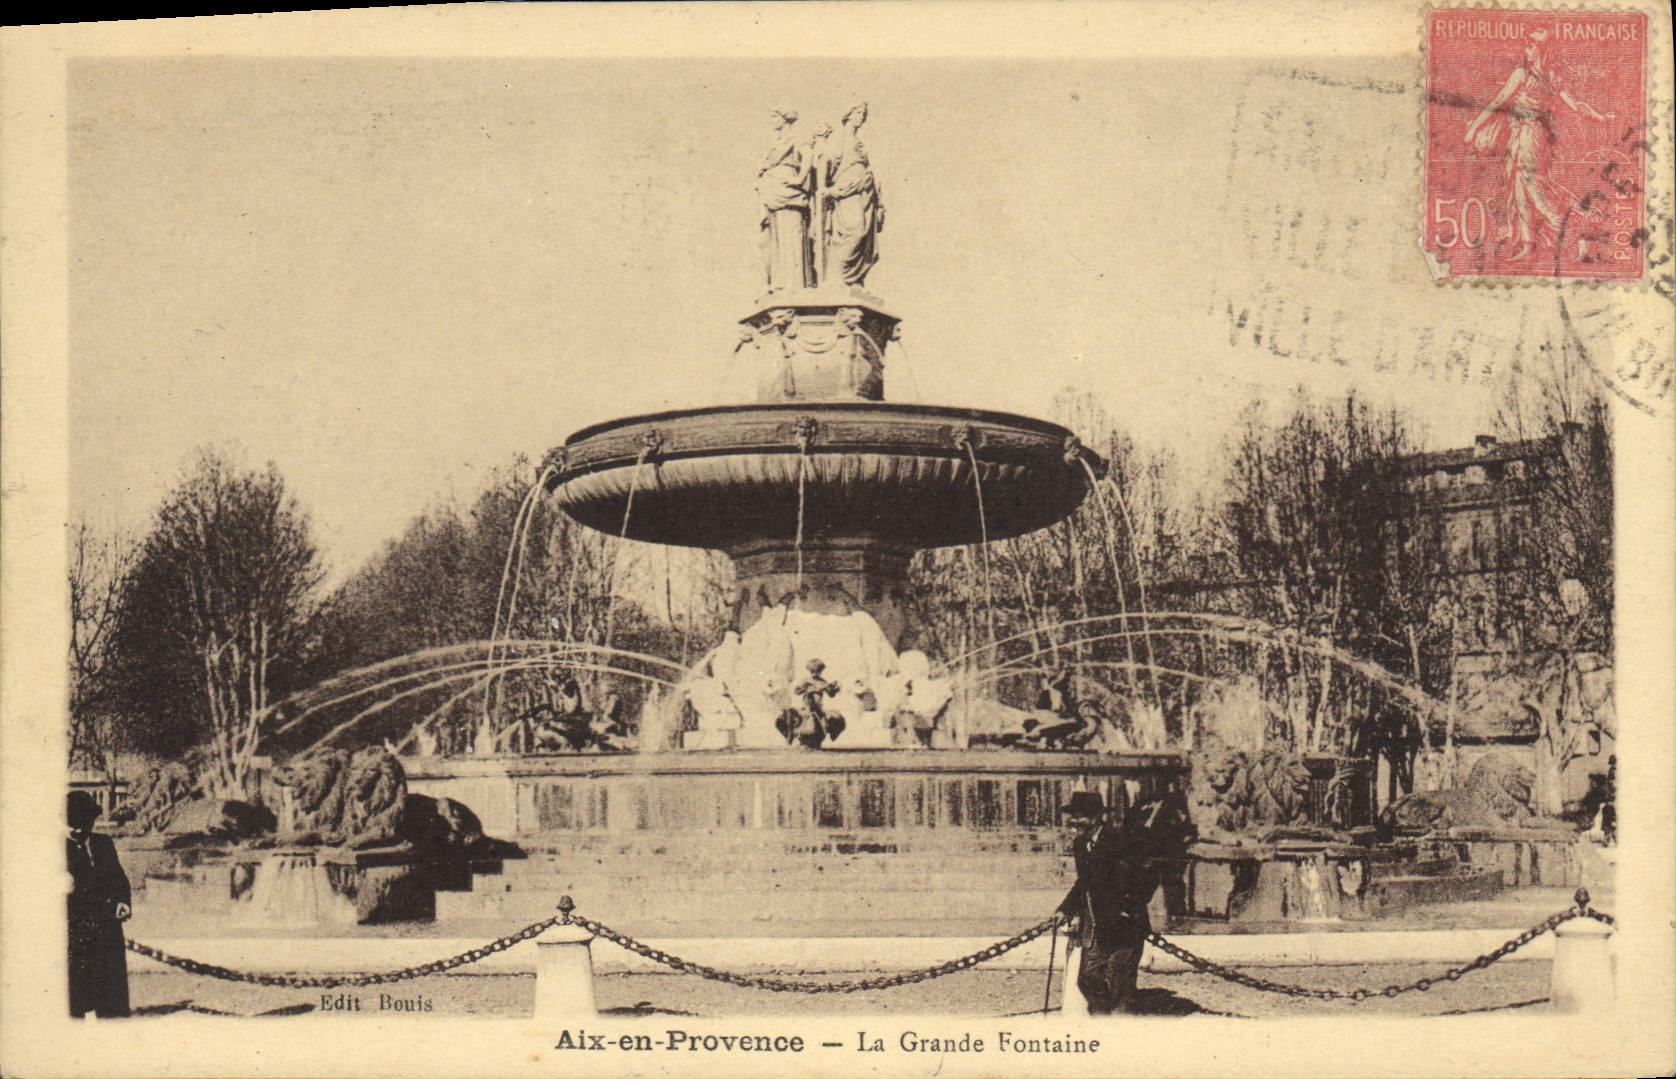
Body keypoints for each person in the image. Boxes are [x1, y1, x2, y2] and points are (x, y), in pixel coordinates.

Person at [1464, 29, 1613, 262]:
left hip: (1532, 136)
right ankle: (1527, 245)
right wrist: (1475, 127)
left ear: (1544, 49)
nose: (1528, 49)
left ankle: (1569, 225)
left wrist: (1600, 117)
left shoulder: (1549, 77)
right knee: (1519, 190)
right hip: (1519, 135)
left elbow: (1576, 105)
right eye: (1527, 45)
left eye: (1533, 45)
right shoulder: (1521, 74)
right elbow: (1498, 102)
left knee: (1534, 187)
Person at [1055, 787, 1161, 1015]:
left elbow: (1150, 874)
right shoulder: (1081, 845)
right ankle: (1104, 1017)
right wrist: (1065, 909)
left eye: (1080, 817)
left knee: (1118, 982)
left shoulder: (1121, 840)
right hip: (1099, 927)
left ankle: (1114, 1022)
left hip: (1126, 927)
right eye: (1073, 817)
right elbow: (1084, 883)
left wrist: (1130, 906)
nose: (1074, 822)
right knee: (1087, 978)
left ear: (1095, 817)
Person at [67, 789, 132, 1018]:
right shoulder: (56, 850)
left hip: (107, 930)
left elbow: (120, 879)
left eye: (85, 821)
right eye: (74, 822)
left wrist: (123, 901)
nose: (80, 829)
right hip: (75, 934)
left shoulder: (103, 844)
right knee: (74, 1002)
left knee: (111, 999)